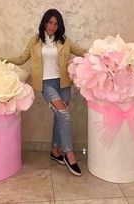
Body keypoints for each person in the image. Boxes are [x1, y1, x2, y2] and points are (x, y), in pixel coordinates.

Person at [5, 9, 86, 176]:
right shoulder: (35, 41)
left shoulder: (64, 41)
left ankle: (55, 151)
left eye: (56, 24)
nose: (52, 26)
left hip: (64, 84)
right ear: (44, 22)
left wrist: (100, 56)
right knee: (64, 115)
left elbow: (81, 52)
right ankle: (69, 154)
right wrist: (1, 60)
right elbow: (21, 59)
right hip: (46, 84)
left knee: (59, 116)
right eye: (50, 22)